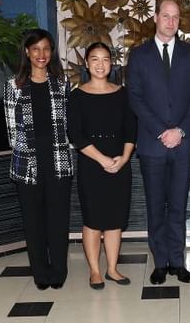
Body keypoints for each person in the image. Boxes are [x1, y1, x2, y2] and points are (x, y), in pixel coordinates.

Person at [126, 0, 190, 285]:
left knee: (179, 204)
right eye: (166, 16)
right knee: (156, 204)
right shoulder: (138, 55)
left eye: (176, 17)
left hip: (183, 144)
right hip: (152, 144)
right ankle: (160, 262)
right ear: (156, 18)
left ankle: (177, 260)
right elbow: (135, 98)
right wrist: (162, 130)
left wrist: (181, 130)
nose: (171, 21)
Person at [3, 28, 73, 290]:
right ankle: (40, 274)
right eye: (36, 49)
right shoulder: (13, 86)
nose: (41, 54)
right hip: (26, 164)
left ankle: (59, 272)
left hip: (58, 162)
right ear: (27, 52)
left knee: (58, 220)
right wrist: (28, 151)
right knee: (33, 222)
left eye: (46, 49)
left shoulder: (62, 83)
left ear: (51, 52)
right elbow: (11, 133)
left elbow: (69, 124)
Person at [68, 42, 137, 290]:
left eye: (105, 59)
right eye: (94, 59)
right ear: (87, 63)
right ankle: (95, 271)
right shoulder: (76, 96)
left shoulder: (123, 93)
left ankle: (112, 269)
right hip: (92, 165)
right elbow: (76, 136)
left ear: (111, 63)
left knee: (115, 220)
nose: (100, 64)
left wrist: (124, 158)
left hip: (120, 165)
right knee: (94, 220)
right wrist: (103, 160)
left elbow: (131, 130)